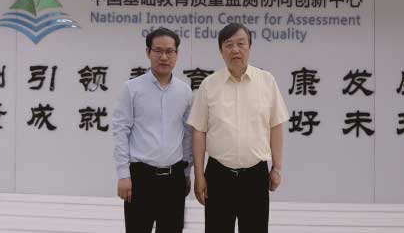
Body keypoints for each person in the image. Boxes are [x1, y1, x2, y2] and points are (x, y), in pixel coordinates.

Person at [187, 22, 289, 233]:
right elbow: (199, 132)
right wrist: (199, 175)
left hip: (255, 175)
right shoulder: (209, 85)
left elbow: (276, 126)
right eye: (229, 44)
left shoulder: (266, 81)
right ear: (221, 51)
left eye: (241, 43)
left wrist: (277, 168)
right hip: (218, 175)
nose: (235, 50)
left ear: (249, 47)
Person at [112, 27, 193, 233]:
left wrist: (186, 172)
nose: (164, 57)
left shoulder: (184, 92)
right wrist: (123, 175)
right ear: (148, 52)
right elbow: (121, 131)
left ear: (177, 54)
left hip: (174, 178)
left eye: (169, 51)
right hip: (141, 178)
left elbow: (187, 135)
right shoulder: (131, 88)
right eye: (158, 51)